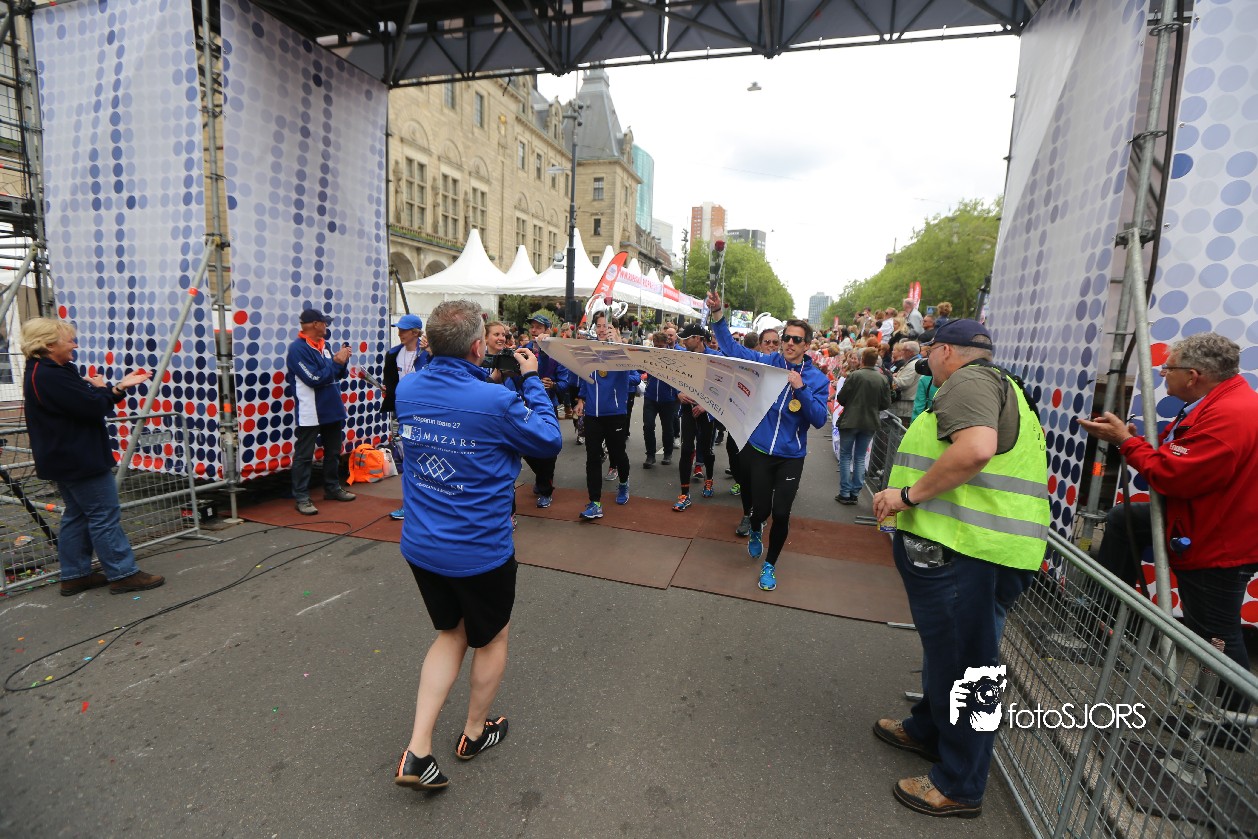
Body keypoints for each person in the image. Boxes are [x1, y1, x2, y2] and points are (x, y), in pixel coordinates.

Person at [871, 318, 1049, 819]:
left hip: (972, 551)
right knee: (951, 654)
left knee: (968, 668)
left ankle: (960, 784)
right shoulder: (996, 383)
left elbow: (975, 450)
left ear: (946, 351)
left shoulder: (969, 382)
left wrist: (908, 496)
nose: (926, 357)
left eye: (930, 349)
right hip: (977, 549)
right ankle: (929, 730)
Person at [392, 300, 562, 791]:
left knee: (452, 634)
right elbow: (548, 441)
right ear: (475, 347)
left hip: (422, 544)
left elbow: (454, 397)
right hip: (480, 550)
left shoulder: (408, 388)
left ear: (428, 343)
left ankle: (418, 750)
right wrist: (530, 380)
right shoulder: (495, 401)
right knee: (491, 637)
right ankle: (472, 733)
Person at [1080, 333, 1258, 741]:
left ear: (1193, 376)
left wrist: (1127, 442)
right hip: (1206, 525)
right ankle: (1102, 615)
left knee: (1215, 636)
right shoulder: (1222, 403)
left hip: (1219, 540)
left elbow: (1174, 475)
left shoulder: (1229, 414)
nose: (1162, 373)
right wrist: (1133, 442)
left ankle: (1228, 728)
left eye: (1168, 368)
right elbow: (1178, 462)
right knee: (1125, 519)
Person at [21, 317, 166, 595]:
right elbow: (92, 408)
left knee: (78, 515)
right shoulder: (50, 375)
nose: (74, 345)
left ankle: (75, 575)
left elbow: (86, 404)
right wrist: (113, 389)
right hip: (78, 458)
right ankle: (123, 573)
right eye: (69, 340)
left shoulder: (46, 371)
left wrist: (112, 389)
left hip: (65, 457)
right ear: (49, 345)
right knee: (103, 514)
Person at [705, 291, 829, 592]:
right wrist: (718, 313)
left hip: (790, 456)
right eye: (787, 338)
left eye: (797, 339)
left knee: (782, 513)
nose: (789, 343)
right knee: (760, 511)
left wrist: (801, 389)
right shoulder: (767, 362)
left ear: (806, 345)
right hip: (760, 451)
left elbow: (818, 419)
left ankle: (770, 565)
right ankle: (756, 528)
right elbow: (731, 349)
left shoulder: (817, 379)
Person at [286, 308, 356, 515]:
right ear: (315, 324)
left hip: (331, 407)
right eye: (324, 322)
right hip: (311, 410)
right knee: (304, 456)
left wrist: (342, 361)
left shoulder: (324, 346)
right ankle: (301, 497)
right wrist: (336, 362)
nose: (327, 325)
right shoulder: (297, 349)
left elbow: (335, 375)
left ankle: (332, 488)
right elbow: (314, 379)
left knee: (333, 452)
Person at [569, 311, 634, 520]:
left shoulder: (623, 351)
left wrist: (619, 348)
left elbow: (633, 375)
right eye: (599, 326)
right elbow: (585, 377)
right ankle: (595, 502)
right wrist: (581, 400)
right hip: (593, 415)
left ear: (615, 330)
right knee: (592, 458)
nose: (602, 329)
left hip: (615, 413)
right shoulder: (590, 350)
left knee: (618, 454)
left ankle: (623, 483)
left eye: (607, 326)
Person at [383, 313, 426, 521]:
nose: (400, 333)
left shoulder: (427, 354)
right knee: (409, 459)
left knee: (425, 459)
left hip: (426, 413)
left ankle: (426, 503)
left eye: (404, 330)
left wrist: (431, 352)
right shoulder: (393, 354)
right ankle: (409, 504)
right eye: (399, 329)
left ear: (415, 333)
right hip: (404, 413)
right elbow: (390, 382)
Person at [671, 323, 719, 511]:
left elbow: (722, 386)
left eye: (687, 338)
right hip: (688, 410)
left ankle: (709, 480)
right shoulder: (683, 356)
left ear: (697, 339)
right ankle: (684, 494)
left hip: (707, 412)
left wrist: (705, 405)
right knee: (686, 449)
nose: (683, 342)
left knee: (705, 450)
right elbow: (674, 378)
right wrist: (678, 393)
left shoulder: (715, 357)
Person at [835, 347, 892, 504]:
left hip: (850, 420)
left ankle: (845, 492)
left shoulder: (855, 375)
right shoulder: (882, 379)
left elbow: (841, 397)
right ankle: (855, 492)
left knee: (845, 456)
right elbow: (886, 403)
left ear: (862, 360)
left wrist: (851, 403)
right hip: (870, 422)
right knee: (860, 457)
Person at [641, 330, 678, 469]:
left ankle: (668, 453)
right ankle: (650, 455)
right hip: (650, 397)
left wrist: (676, 393)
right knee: (648, 426)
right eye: (656, 346)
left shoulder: (673, 357)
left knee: (667, 428)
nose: (658, 349)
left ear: (666, 344)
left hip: (668, 398)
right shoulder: (650, 355)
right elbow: (639, 369)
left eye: (661, 346)